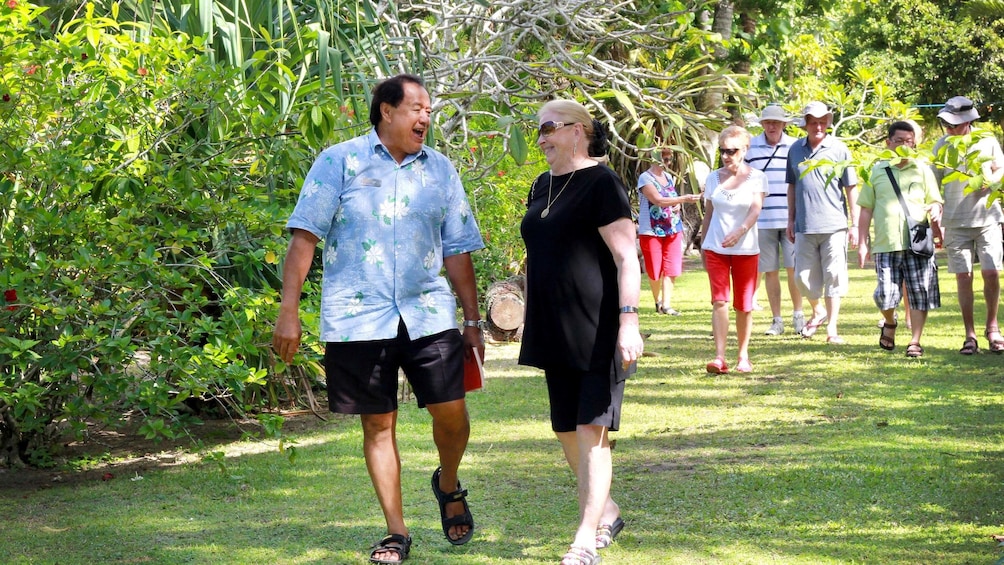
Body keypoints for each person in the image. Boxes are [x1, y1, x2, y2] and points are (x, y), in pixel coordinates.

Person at [271, 74, 484, 564]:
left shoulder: (441, 170)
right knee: (378, 423)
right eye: (415, 108)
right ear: (386, 111)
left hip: (428, 313)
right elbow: (304, 238)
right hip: (358, 317)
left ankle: (447, 482)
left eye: (429, 109)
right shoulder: (338, 161)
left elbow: (457, 250)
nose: (425, 117)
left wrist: (472, 320)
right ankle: (396, 530)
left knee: (451, 413)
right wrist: (289, 312)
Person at [519, 100, 644, 565]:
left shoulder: (601, 182)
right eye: (538, 131)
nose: (542, 138)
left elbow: (627, 257)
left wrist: (628, 320)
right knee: (566, 430)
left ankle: (585, 538)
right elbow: (540, 254)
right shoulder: (541, 185)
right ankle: (607, 510)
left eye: (549, 128)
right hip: (553, 327)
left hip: (597, 327)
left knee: (592, 430)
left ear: (579, 131)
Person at [858, 121, 943, 358]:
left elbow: (935, 200)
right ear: (888, 143)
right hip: (886, 243)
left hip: (917, 242)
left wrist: (936, 210)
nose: (905, 146)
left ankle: (915, 341)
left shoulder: (922, 169)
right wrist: (863, 242)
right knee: (884, 294)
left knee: (919, 293)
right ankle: (890, 322)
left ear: (914, 143)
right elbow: (866, 208)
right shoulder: (876, 170)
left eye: (909, 141)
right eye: (899, 141)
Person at [933, 96, 1004, 355]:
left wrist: (991, 180)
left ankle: (993, 328)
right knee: (964, 277)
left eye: (954, 124)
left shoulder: (986, 140)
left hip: (988, 218)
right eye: (947, 124)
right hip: (954, 220)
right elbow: (933, 182)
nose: (950, 129)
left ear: (969, 121)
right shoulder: (941, 145)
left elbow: (1001, 170)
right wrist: (935, 219)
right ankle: (969, 335)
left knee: (991, 272)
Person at [786, 101, 859, 344]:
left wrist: (855, 224)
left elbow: (851, 187)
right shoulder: (795, 149)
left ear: (827, 123)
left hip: (834, 225)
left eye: (822, 122)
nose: (818, 126)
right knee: (802, 278)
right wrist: (790, 219)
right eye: (813, 122)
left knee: (834, 276)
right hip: (804, 225)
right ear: (805, 124)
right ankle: (818, 310)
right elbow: (792, 186)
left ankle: (832, 328)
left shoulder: (839, 149)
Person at [700, 125, 768, 373]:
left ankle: (743, 356)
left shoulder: (757, 177)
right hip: (716, 248)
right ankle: (719, 357)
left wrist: (739, 231)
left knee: (744, 305)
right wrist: (703, 244)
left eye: (732, 150)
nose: (727, 155)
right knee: (719, 301)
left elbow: (755, 209)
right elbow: (709, 214)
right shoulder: (712, 178)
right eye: (723, 151)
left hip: (746, 249)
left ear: (745, 149)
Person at [745, 104, 805, 336]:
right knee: (770, 271)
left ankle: (798, 315)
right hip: (762, 220)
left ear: (784, 125)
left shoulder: (795, 146)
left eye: (776, 122)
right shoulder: (750, 148)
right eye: (768, 122)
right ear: (762, 124)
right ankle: (776, 319)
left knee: (794, 269)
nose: (772, 126)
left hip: (790, 217)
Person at [636, 147, 702, 315]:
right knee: (654, 268)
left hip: (672, 227)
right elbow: (658, 200)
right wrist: (684, 199)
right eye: (663, 159)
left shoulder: (669, 177)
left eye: (669, 159)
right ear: (654, 158)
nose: (667, 163)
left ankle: (667, 304)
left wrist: (678, 205)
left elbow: (671, 198)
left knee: (672, 266)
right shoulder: (645, 178)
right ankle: (657, 301)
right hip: (651, 230)